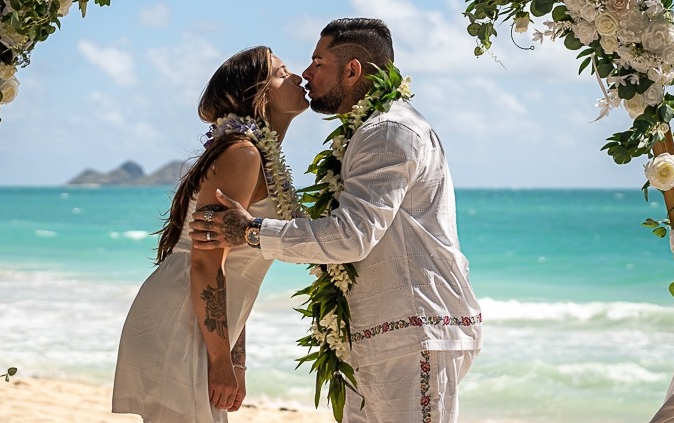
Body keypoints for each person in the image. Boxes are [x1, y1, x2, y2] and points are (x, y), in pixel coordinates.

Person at [188, 18, 483, 423]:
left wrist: (252, 231)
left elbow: (352, 236)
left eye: (316, 61)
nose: (305, 73)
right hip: (376, 335)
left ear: (352, 70)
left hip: (410, 332)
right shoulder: (366, 132)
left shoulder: (389, 130)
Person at [112, 46, 308, 422]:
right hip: (183, 319)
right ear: (258, 95)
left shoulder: (256, 157)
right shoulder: (242, 154)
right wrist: (221, 361)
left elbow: (235, 272)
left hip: (205, 324)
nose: (297, 76)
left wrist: (236, 361)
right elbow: (205, 263)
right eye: (282, 73)